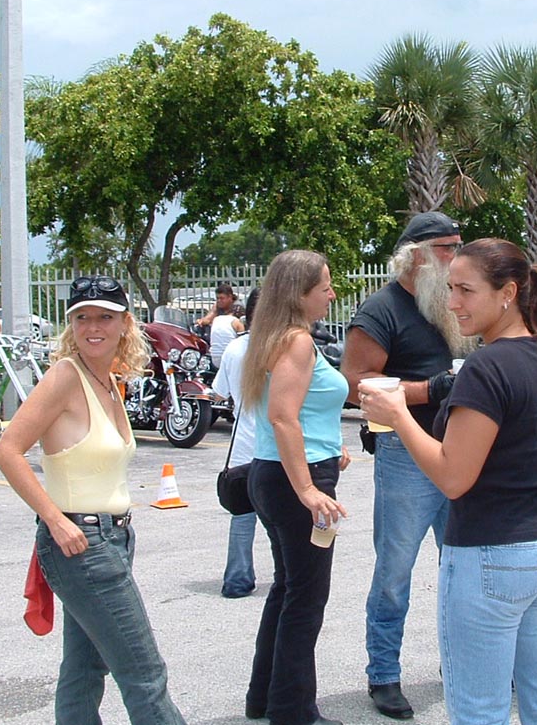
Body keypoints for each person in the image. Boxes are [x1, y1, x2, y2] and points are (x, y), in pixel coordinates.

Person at [360, 238, 537, 725]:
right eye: (450, 288)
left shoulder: (487, 366)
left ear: (508, 293)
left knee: (479, 709)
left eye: (465, 290)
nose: (453, 302)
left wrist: (399, 417)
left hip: (495, 550)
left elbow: (453, 477)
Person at [0, 276, 187, 725]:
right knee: (144, 673)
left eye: (104, 317)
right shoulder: (65, 376)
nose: (93, 327)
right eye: (82, 318)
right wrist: (55, 519)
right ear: (71, 325)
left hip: (112, 539)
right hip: (82, 543)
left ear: (125, 324)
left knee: (84, 668)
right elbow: (8, 451)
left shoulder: (108, 381)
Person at [340, 211, 471, 720]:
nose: (454, 255)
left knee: (461, 564)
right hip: (404, 453)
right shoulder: (381, 309)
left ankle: (459, 663)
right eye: (445, 247)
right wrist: (428, 390)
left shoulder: (451, 302)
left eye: (457, 245)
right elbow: (355, 384)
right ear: (415, 255)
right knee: (395, 571)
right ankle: (383, 674)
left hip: (459, 446)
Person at [241, 251, 350, 725]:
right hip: (293, 481)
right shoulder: (297, 342)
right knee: (306, 598)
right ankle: (293, 711)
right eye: (324, 287)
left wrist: (329, 448)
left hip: (276, 472)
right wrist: (307, 487)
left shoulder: (273, 338)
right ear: (299, 293)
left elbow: (300, 413)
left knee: (287, 589)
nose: (331, 295)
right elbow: (282, 417)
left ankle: (266, 698)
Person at [212, 288, 261, 598]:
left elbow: (220, 393)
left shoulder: (234, 349)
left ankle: (237, 580)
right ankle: (290, 579)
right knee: (284, 523)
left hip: (242, 449)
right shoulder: (287, 349)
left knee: (242, 519)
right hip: (278, 451)